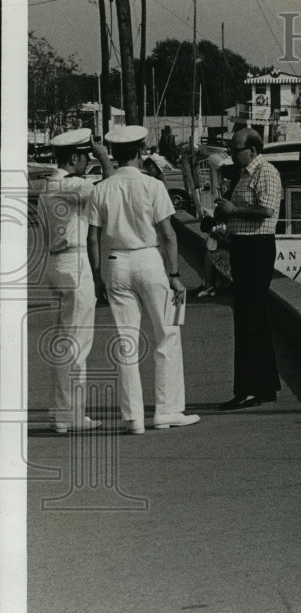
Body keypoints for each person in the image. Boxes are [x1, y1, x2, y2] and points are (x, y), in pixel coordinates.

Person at [87, 124, 200, 433]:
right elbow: (167, 234)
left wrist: (98, 279)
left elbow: (93, 239)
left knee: (125, 340)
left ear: (113, 154)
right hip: (149, 260)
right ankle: (167, 410)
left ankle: (132, 417)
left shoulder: (101, 189)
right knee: (167, 333)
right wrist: (174, 274)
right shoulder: (152, 186)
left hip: (114, 263)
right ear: (139, 152)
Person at [38, 129, 114, 433]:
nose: (88, 162)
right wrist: (104, 156)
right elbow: (110, 186)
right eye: (85, 156)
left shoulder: (48, 185)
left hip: (55, 262)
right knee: (78, 343)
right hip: (75, 262)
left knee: (63, 342)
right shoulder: (74, 186)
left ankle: (62, 411)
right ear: (74, 157)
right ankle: (71, 415)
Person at [213, 127, 282, 410]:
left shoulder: (264, 172)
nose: (231, 154)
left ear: (252, 150)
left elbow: (266, 209)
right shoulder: (243, 176)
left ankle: (249, 388)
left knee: (249, 319)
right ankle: (264, 385)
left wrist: (233, 211)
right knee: (252, 317)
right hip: (244, 247)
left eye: (235, 149)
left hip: (256, 247)